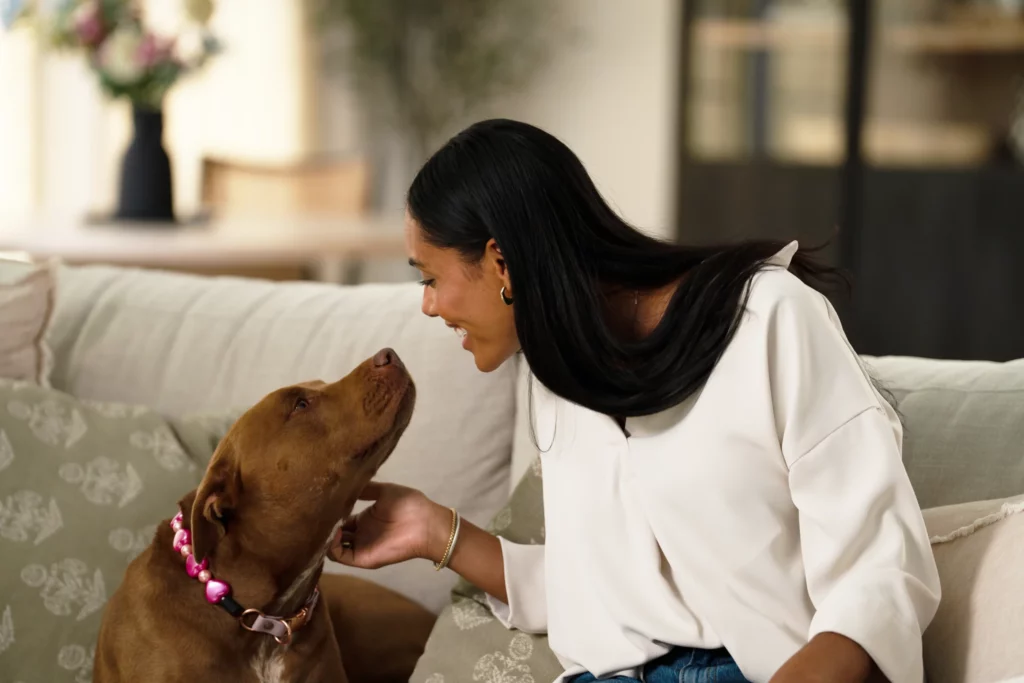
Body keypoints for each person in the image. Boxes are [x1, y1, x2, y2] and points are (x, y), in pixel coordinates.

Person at [328, 119, 941, 683]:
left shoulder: (769, 318)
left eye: (428, 277)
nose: (427, 306)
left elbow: (880, 575)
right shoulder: (558, 370)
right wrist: (437, 532)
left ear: (502, 262)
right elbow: (604, 593)